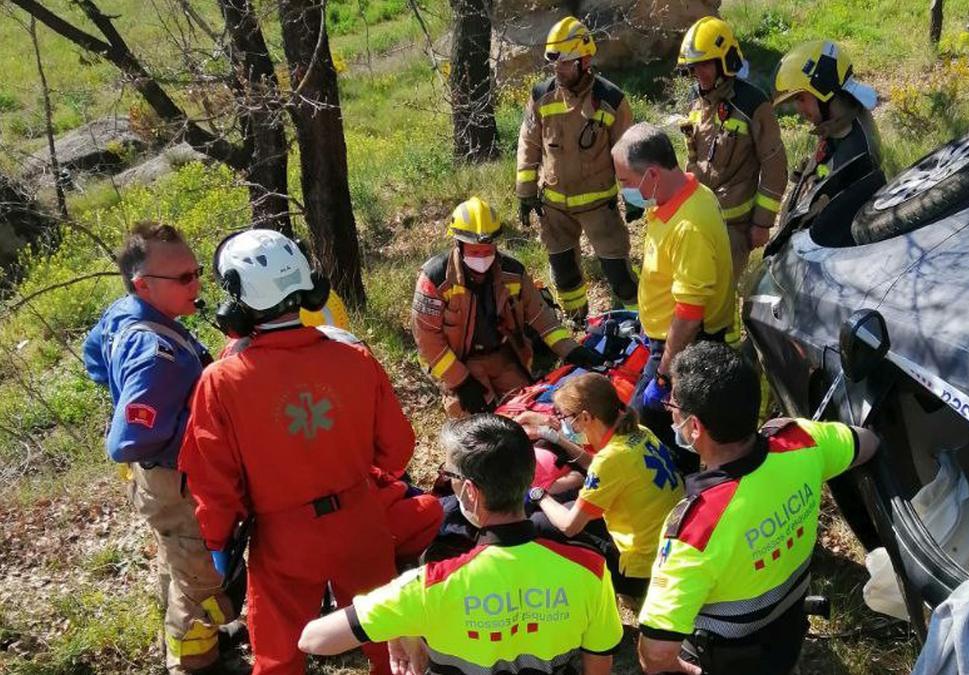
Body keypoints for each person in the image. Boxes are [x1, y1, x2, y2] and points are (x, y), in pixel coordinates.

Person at [179, 228, 417, 674]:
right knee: (389, 642)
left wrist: (218, 544)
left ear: (237, 299)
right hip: (360, 519)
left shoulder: (222, 381)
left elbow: (213, 482)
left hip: (283, 537)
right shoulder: (354, 356)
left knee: (278, 657)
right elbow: (397, 449)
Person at [297, 414, 625, 675]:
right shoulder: (589, 570)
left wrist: (399, 628)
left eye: (448, 473)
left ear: (470, 492)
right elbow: (598, 665)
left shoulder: (428, 586)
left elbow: (313, 640)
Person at [636, 342, 880, 674]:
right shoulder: (802, 441)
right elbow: (868, 442)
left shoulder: (695, 531)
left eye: (673, 406)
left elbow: (656, 654)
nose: (670, 412)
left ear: (694, 427)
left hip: (729, 659)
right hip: (789, 632)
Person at [82, 221, 235, 674]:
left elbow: (94, 359)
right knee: (200, 579)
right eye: (184, 279)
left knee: (175, 562)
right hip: (175, 479)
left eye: (196, 272)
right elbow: (129, 440)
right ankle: (193, 663)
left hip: (155, 480)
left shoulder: (123, 314)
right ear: (143, 284)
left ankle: (182, 642)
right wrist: (195, 425)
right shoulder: (154, 352)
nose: (198, 284)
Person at [610, 122, 735, 470]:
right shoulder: (681, 196)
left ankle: (673, 492)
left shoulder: (688, 225)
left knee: (652, 427)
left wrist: (663, 375)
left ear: (652, 174)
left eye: (625, 182)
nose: (623, 190)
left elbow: (689, 313)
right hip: (666, 339)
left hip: (682, 346)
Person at [412, 196, 605, 417]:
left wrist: (571, 349)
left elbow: (542, 318)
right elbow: (427, 341)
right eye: (475, 252)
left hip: (503, 356)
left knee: (527, 408)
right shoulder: (436, 279)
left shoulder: (512, 274)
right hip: (461, 361)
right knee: (470, 414)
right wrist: (461, 381)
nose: (483, 258)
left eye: (488, 251)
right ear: (458, 244)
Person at [516, 15, 640, 321]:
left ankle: (641, 322)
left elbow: (628, 150)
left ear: (585, 61)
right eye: (554, 64)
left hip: (600, 206)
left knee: (619, 274)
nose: (558, 71)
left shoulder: (611, 100)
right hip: (555, 208)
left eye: (565, 64)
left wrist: (634, 196)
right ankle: (578, 322)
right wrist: (526, 192)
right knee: (565, 275)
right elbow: (528, 142)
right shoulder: (542, 96)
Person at [529, 373, 684, 605]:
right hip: (667, 543)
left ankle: (617, 591)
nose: (564, 423)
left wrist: (539, 494)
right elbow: (599, 467)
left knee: (540, 521)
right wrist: (560, 441)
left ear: (585, 417)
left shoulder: (610, 461)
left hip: (640, 568)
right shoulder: (639, 431)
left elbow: (570, 526)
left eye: (565, 417)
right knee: (573, 504)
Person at [677, 16, 788, 278]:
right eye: (693, 67)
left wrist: (762, 223)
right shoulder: (696, 101)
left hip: (734, 226)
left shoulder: (752, 104)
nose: (698, 74)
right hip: (697, 217)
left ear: (725, 62)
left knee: (721, 295)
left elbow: (775, 165)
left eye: (704, 65)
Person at [773, 39, 883, 219]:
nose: (799, 110)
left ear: (823, 90)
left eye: (801, 98)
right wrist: (811, 172)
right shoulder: (836, 125)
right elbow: (827, 166)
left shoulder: (855, 155)